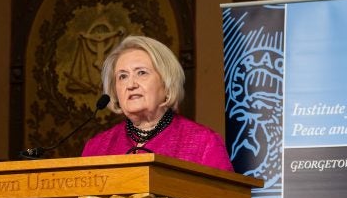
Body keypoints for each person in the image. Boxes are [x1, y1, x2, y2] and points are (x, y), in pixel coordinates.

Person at [81, 35, 233, 171]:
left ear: (167, 84)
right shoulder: (97, 148)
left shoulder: (203, 142)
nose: (131, 84)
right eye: (122, 76)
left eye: (141, 73)